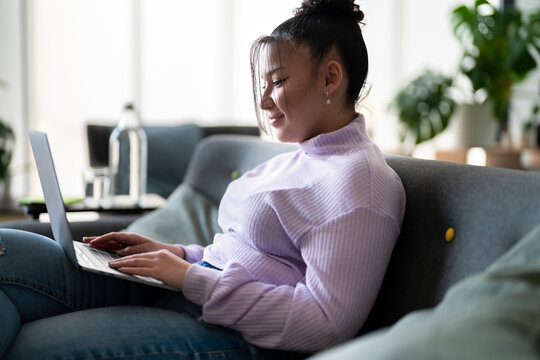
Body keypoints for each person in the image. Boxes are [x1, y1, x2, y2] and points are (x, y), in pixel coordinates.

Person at [0, 0, 405, 358]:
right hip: (189, 293)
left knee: (29, 345)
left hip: (241, 336)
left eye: (278, 82)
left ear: (331, 78)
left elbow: (324, 324)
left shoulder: (360, 183)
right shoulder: (297, 159)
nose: (264, 101)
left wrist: (192, 279)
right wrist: (180, 255)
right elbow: (242, 256)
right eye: (263, 84)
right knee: (7, 249)